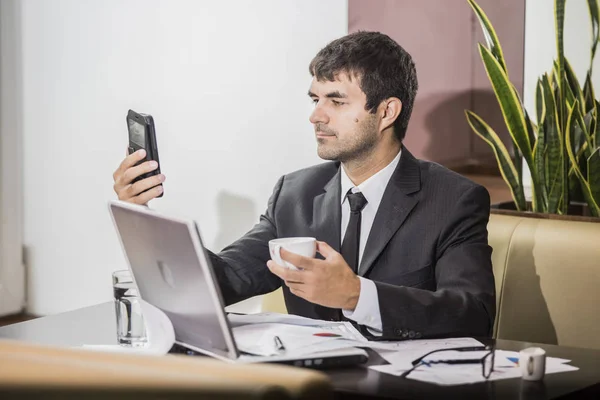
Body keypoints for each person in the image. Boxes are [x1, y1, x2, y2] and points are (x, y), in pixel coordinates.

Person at [113, 31, 495, 340]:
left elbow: (472, 312)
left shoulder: (453, 199)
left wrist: (357, 295)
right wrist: (139, 216)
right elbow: (225, 280)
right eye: (315, 99)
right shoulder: (294, 194)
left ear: (386, 112)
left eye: (336, 101)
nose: (315, 115)